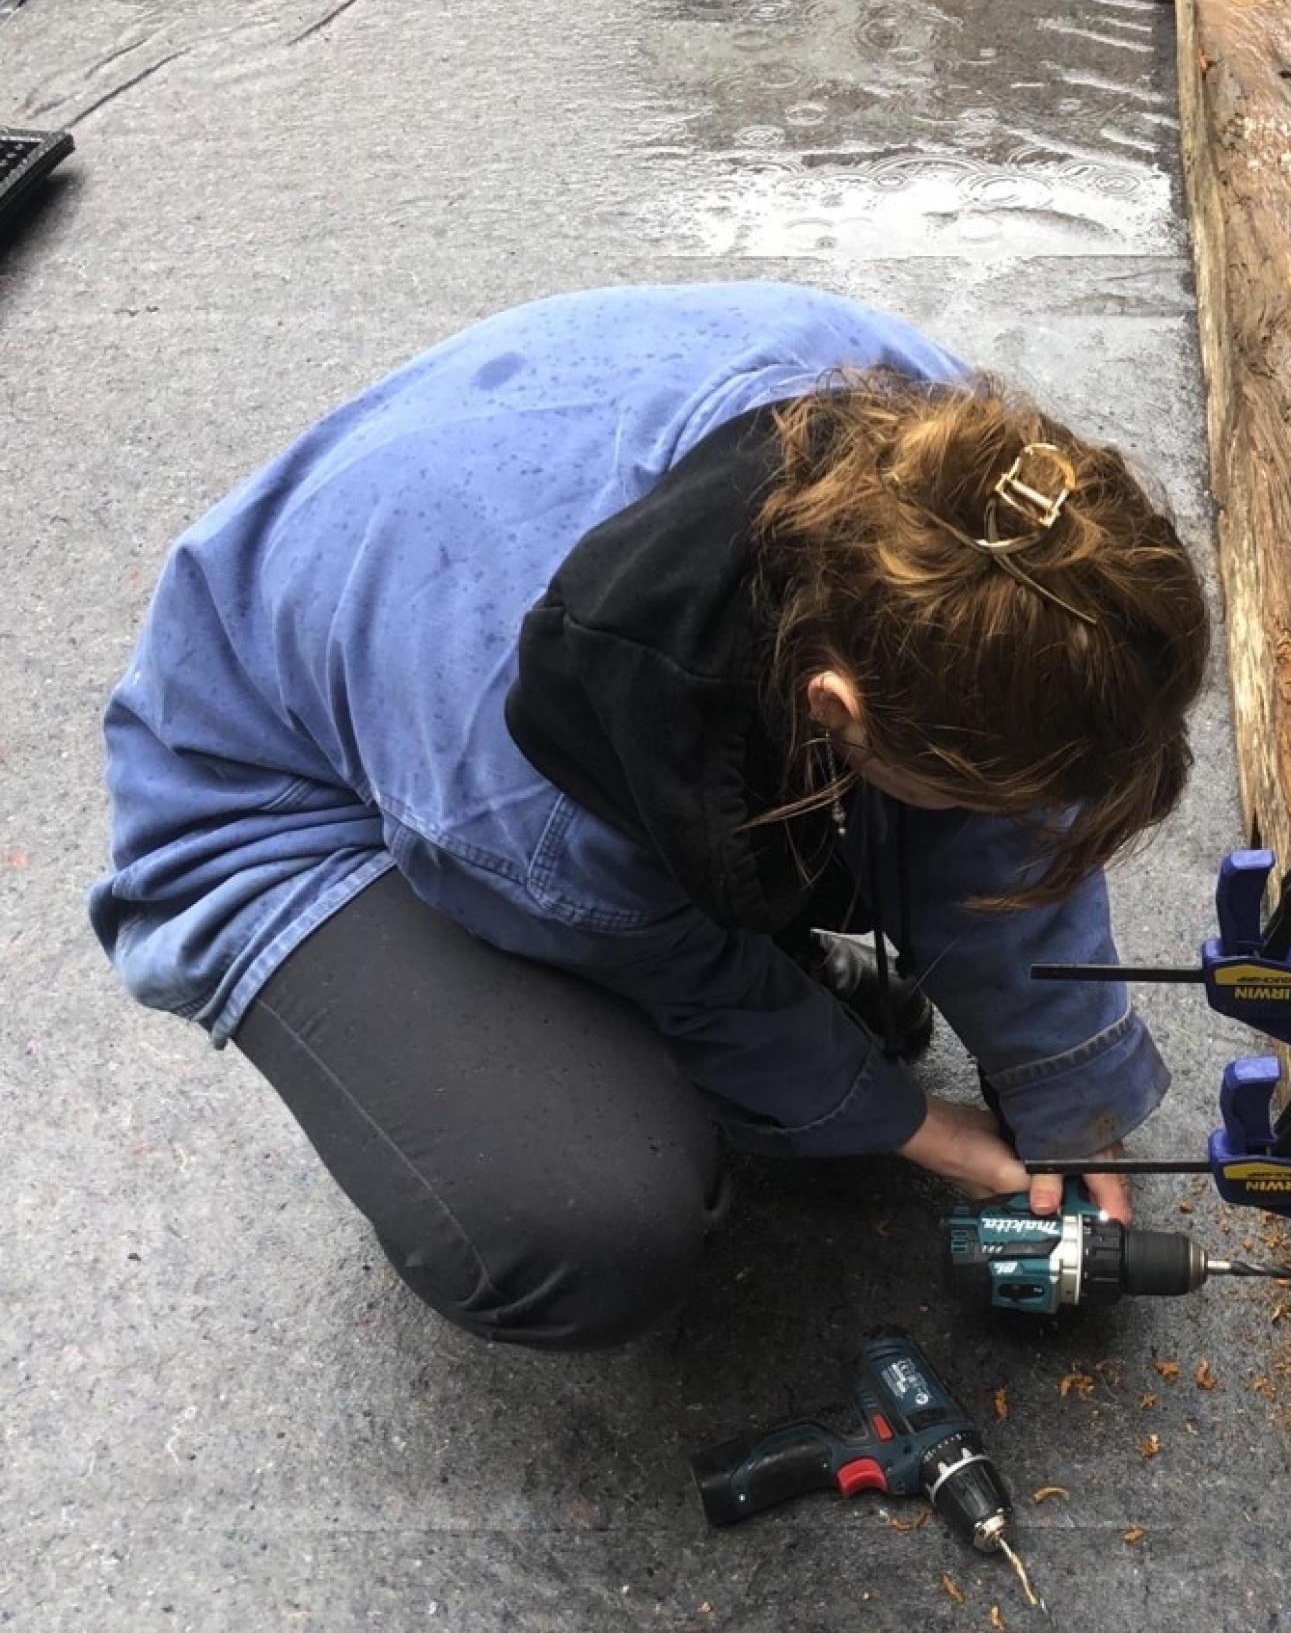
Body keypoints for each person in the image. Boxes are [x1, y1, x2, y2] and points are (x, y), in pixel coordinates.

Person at [89, 283, 1210, 1350]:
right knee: (591, 1214)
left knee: (954, 773)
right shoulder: (531, 813)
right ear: (832, 708)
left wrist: (1069, 1082)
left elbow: (1009, 794)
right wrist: (913, 1126)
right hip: (280, 798)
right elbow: (701, 986)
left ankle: (681, 930)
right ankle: (484, 1029)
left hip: (440, 611)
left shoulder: (967, 479)